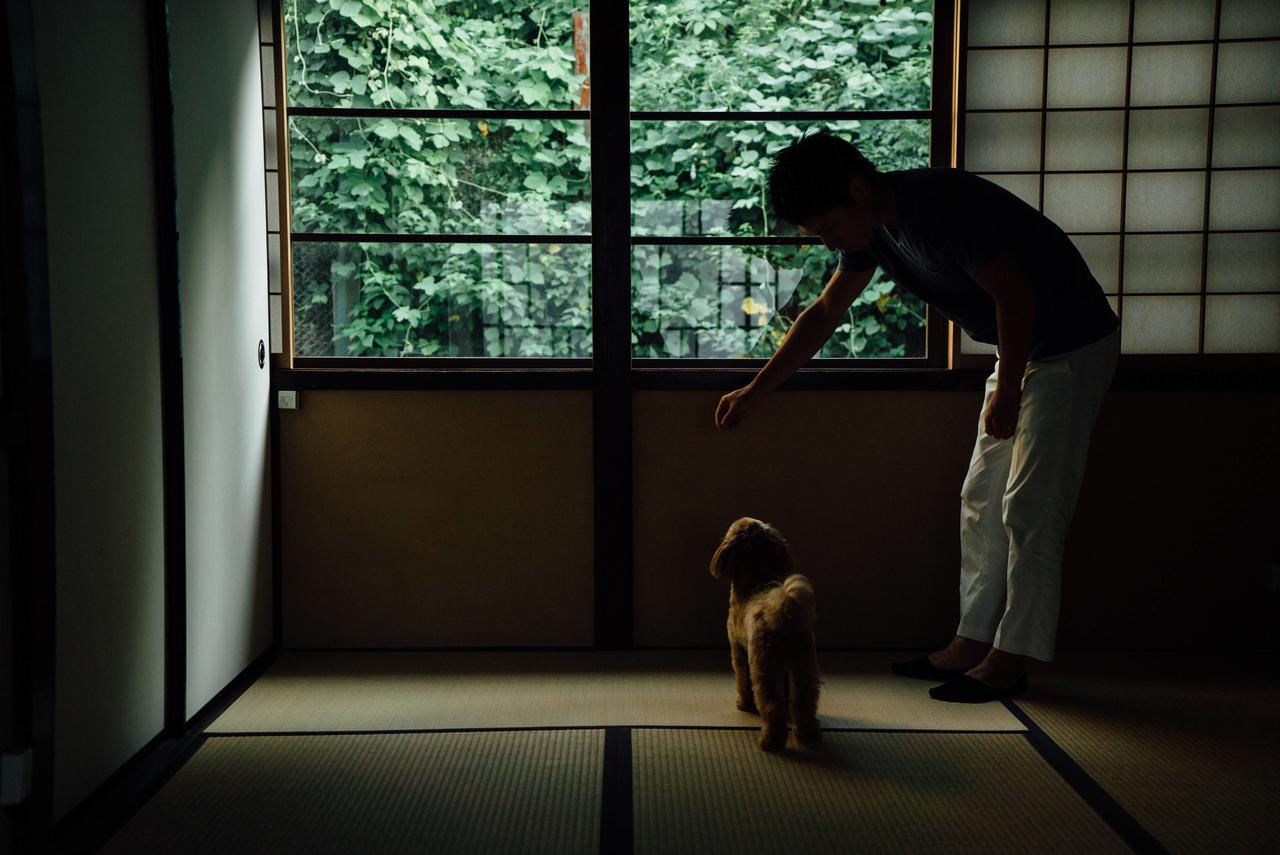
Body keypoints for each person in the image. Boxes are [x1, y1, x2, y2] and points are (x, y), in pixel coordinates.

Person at [714, 131, 1120, 703]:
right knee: (981, 499)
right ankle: (970, 642)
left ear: (858, 188)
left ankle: (1011, 659)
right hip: (1019, 353)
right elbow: (826, 310)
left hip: (1069, 346)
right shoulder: (874, 231)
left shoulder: (938, 205)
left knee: (1031, 507)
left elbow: (1015, 295)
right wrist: (758, 390)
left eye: (828, 227)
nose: (830, 241)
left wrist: (1006, 391)